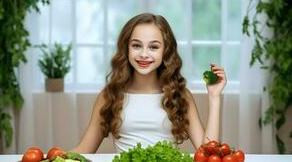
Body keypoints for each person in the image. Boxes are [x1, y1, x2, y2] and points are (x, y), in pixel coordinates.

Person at [71, 13, 227, 153]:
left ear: (165, 51)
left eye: (153, 47)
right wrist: (52, 159)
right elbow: (84, 150)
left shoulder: (179, 95)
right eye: (136, 45)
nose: (144, 54)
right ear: (126, 49)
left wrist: (214, 97)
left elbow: (209, 153)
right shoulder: (110, 95)